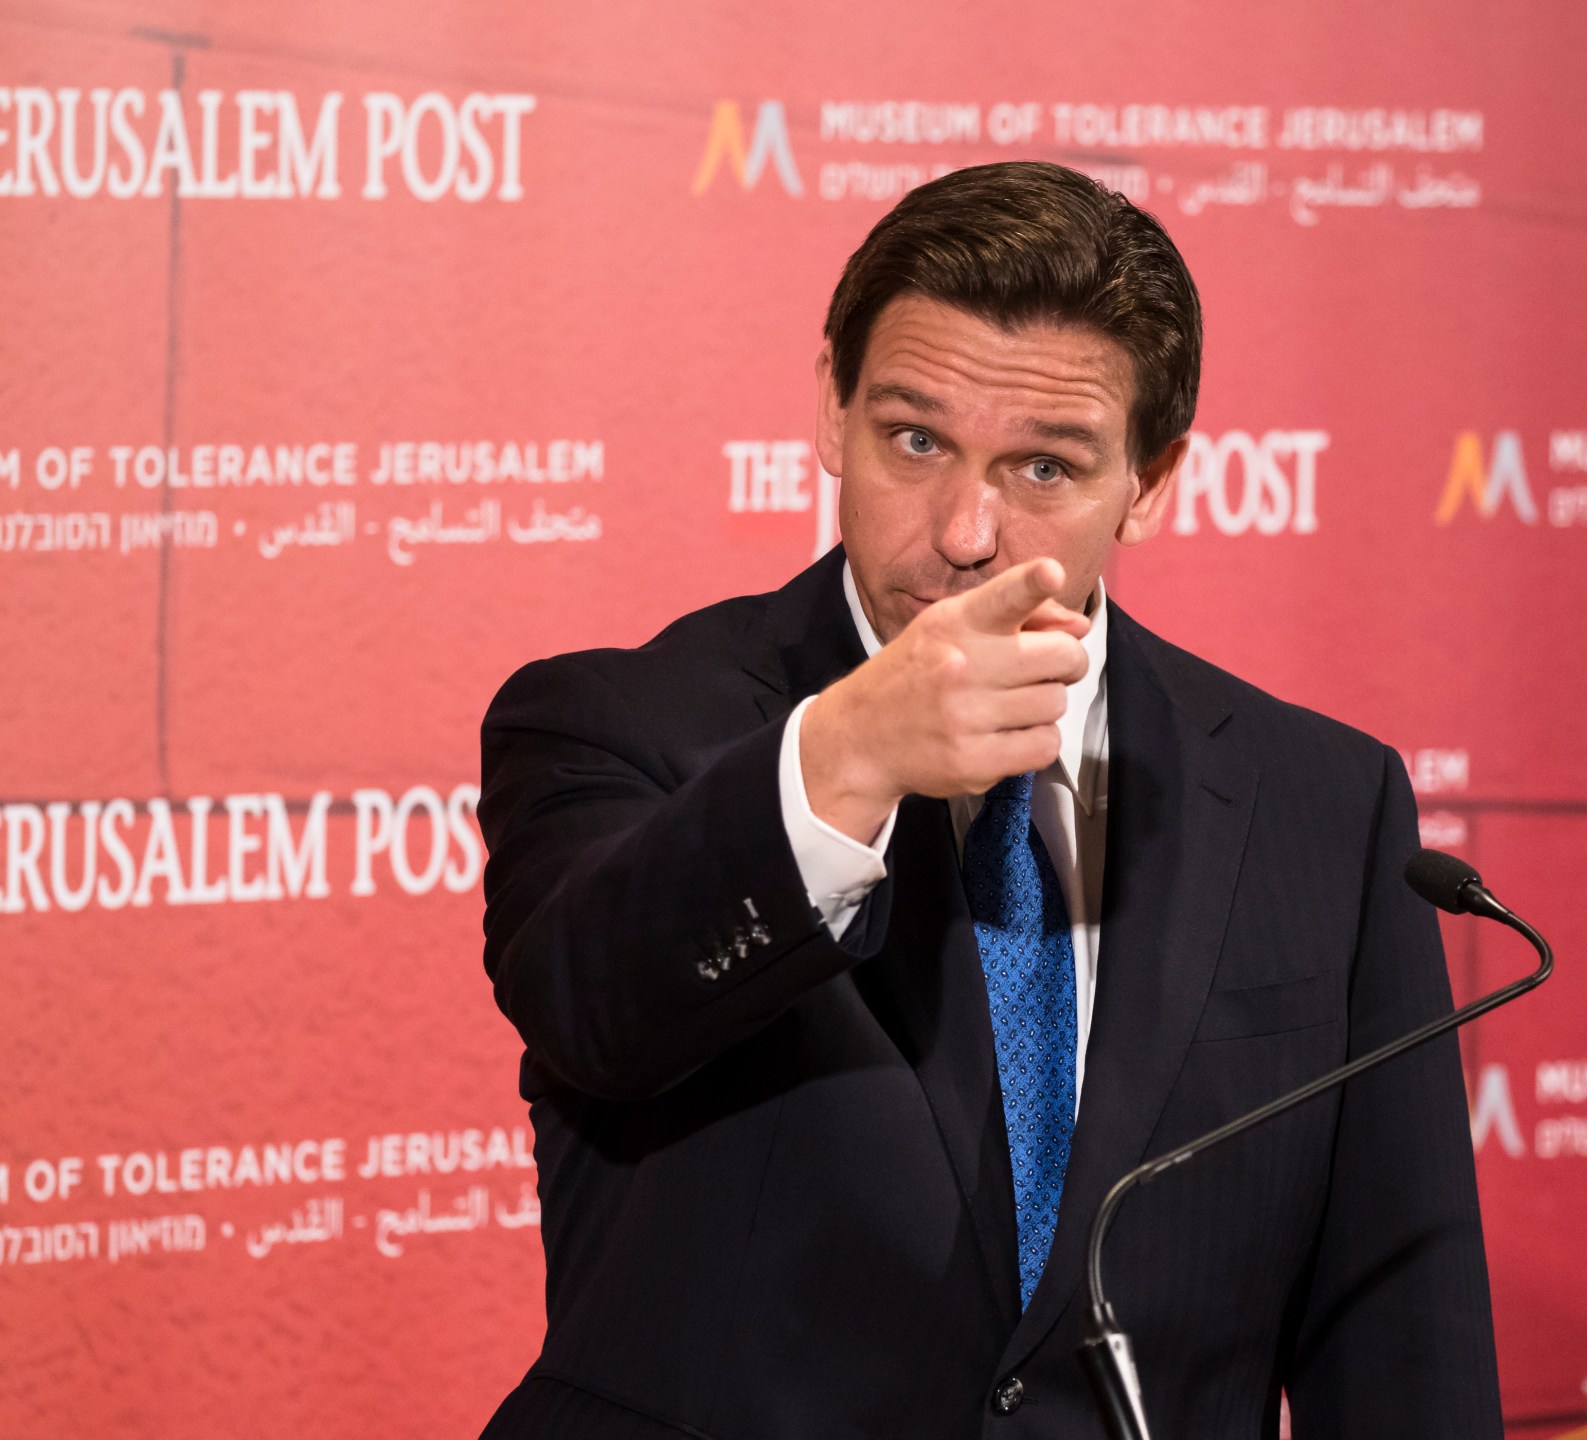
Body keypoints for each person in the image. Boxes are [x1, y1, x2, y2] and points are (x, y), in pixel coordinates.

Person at [477, 160, 1500, 1439]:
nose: (965, 531)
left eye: (1046, 469)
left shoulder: (1325, 806)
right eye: (914, 441)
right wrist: (846, 759)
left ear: (1153, 480)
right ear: (831, 411)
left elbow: (1401, 1337)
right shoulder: (615, 725)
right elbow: (589, 1005)